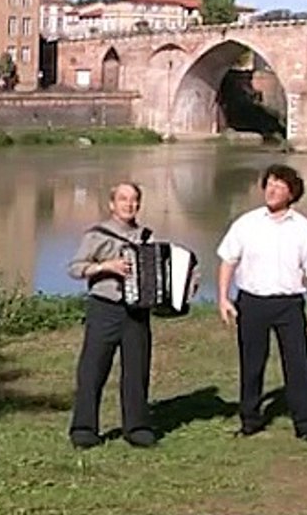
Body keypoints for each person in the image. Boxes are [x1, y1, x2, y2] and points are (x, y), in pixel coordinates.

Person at [66, 181, 197, 449]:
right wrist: (106, 266)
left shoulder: (147, 237)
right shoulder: (97, 235)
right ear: (112, 204)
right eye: (123, 199)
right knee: (92, 370)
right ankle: (84, 428)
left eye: (134, 200)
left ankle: (137, 427)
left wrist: (184, 284)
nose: (129, 204)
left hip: (137, 312)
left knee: (137, 370)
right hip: (105, 308)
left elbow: (166, 267)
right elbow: (75, 268)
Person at [215, 164, 307, 442]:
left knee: (298, 364)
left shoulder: (305, 230)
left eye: (280, 186)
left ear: (292, 193)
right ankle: (250, 420)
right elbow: (228, 260)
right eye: (269, 184)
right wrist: (223, 297)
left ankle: (306, 425)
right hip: (251, 302)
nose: (272, 190)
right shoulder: (246, 223)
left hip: (288, 305)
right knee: (251, 363)